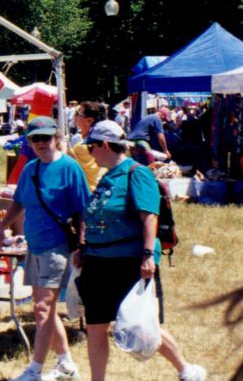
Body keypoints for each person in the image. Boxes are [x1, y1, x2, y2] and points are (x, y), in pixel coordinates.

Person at [75, 120, 205, 381]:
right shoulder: (107, 176)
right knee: (96, 325)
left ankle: (185, 370)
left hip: (129, 262)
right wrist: (84, 246)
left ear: (105, 145)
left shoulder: (137, 173)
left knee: (142, 325)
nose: (89, 152)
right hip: (97, 262)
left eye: (91, 147)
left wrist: (147, 256)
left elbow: (149, 216)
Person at [0, 117, 87, 381]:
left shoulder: (70, 168)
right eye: (35, 139)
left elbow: (83, 211)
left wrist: (83, 245)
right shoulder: (30, 169)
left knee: (42, 309)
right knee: (45, 310)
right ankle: (66, 364)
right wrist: (1, 228)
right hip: (34, 247)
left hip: (57, 247)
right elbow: (18, 202)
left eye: (45, 138)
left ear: (56, 138)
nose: (40, 143)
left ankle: (34, 370)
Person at [68, 101, 106, 191]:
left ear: (89, 121)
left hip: (89, 193)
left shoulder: (80, 148)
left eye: (78, 113)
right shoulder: (107, 143)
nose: (75, 116)